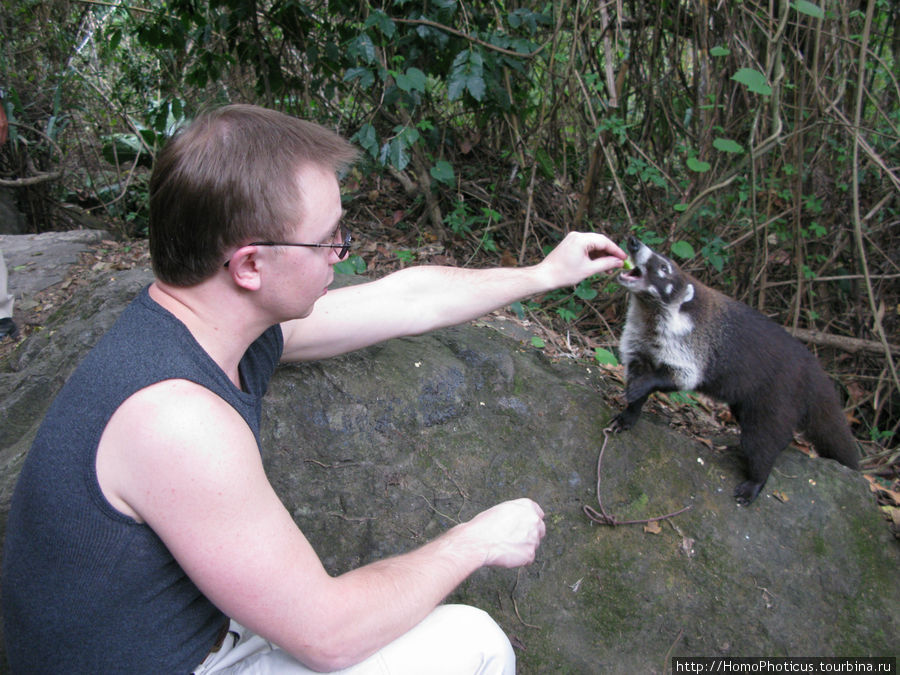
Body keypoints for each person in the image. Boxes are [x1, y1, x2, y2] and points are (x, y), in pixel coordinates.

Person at [1, 104, 627, 674]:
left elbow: (404, 300)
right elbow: (330, 637)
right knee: (475, 641)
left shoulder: (201, 326)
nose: (340, 252)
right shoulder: (176, 419)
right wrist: (475, 541)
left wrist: (543, 274)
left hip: (170, 634)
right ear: (250, 264)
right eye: (327, 237)